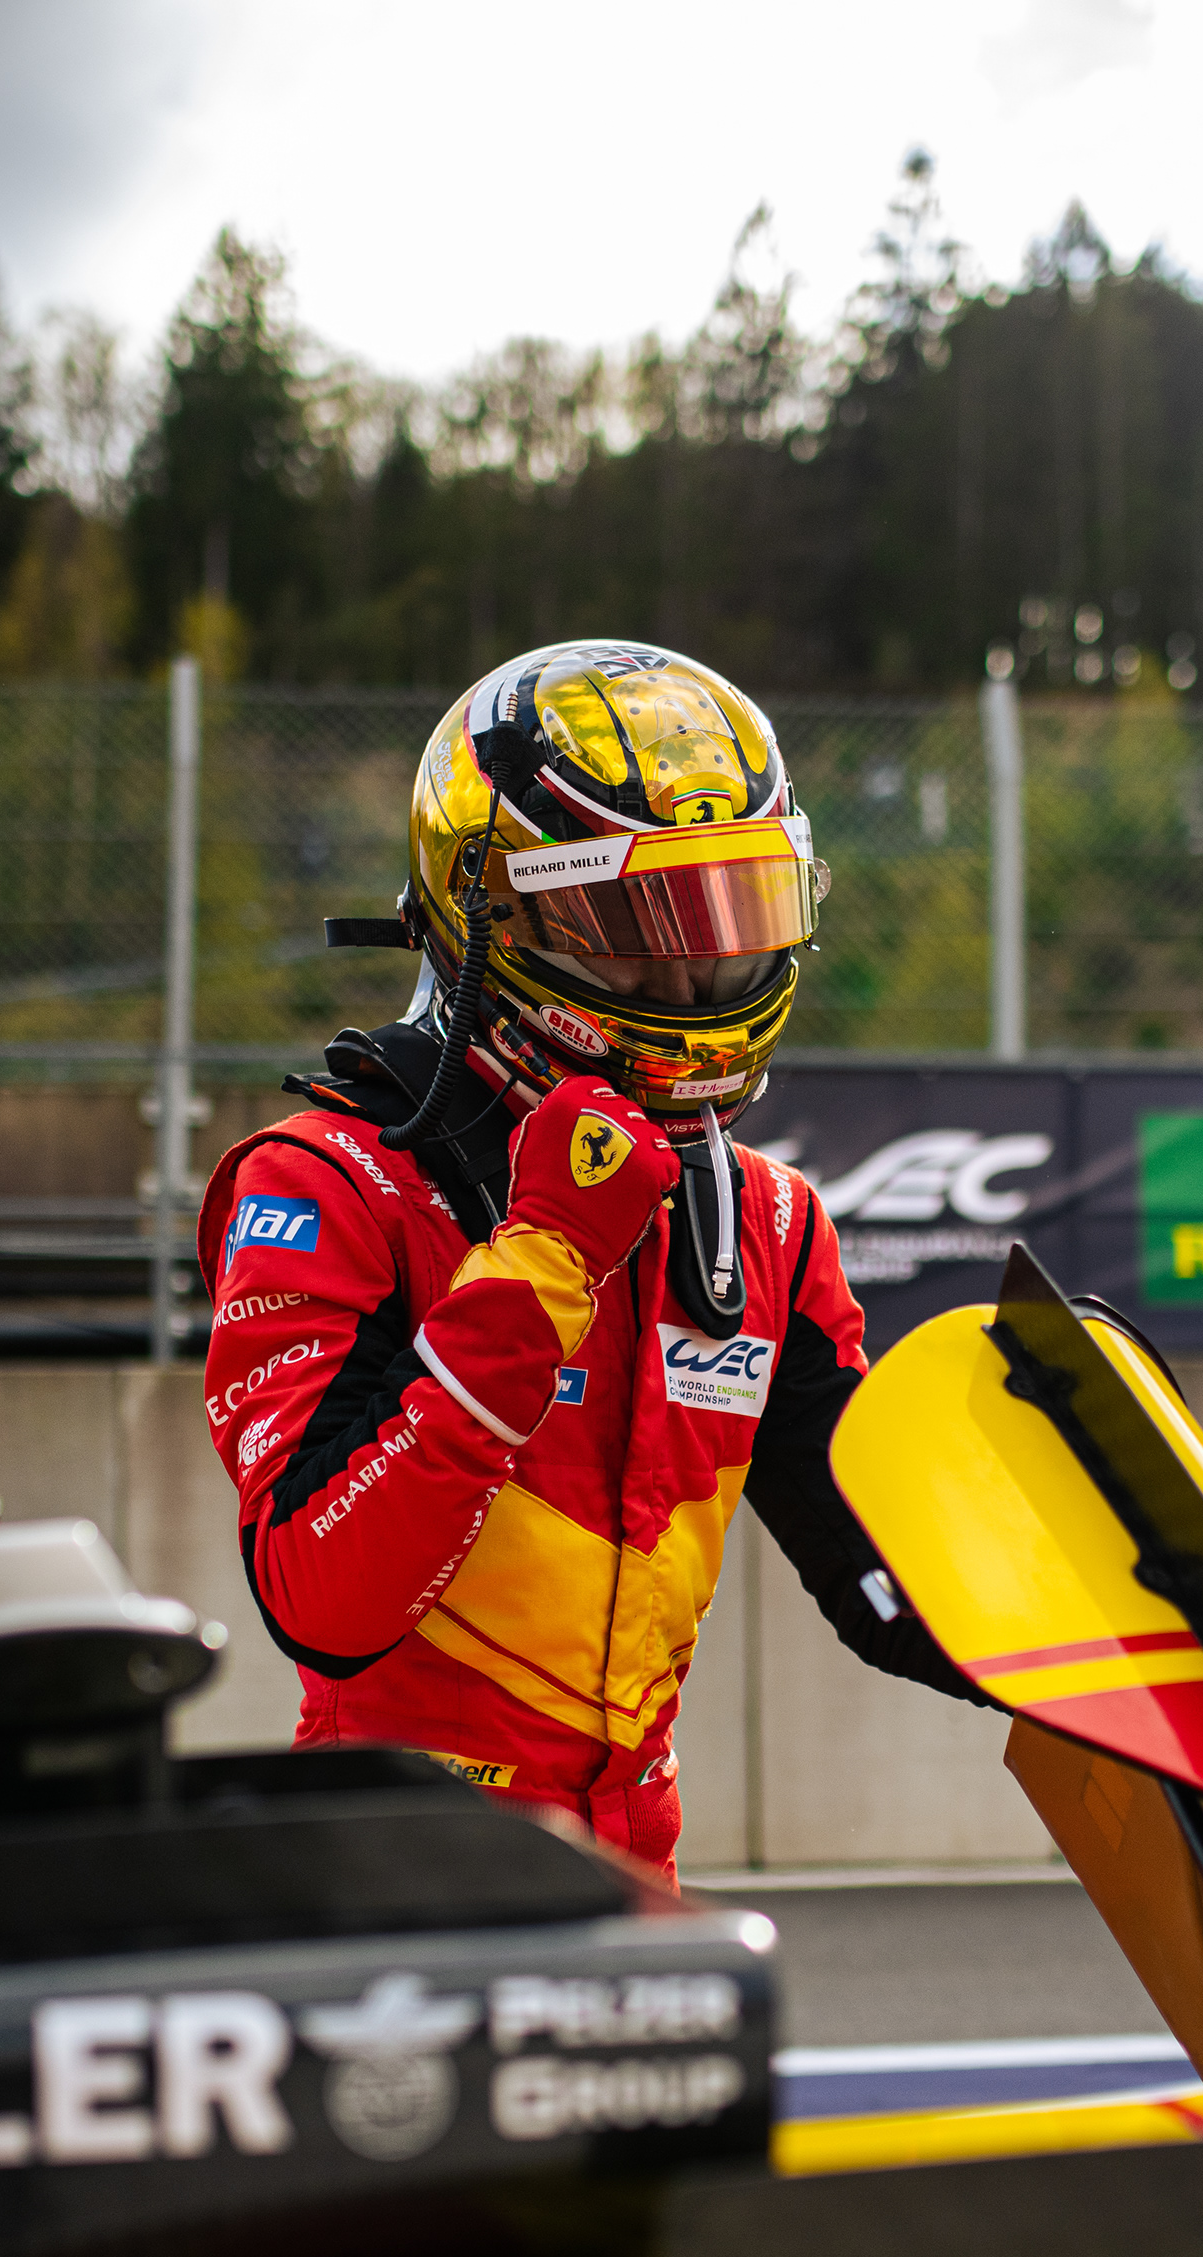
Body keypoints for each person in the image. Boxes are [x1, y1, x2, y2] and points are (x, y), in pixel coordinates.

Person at [197, 639, 975, 1880]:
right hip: (384, 1881)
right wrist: (548, 1252)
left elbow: (892, 1578)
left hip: (628, 1888)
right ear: (485, 912)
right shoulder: (327, 1183)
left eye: (727, 918)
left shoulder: (766, 1223)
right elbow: (323, 1597)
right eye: (633, 928)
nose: (692, 975)